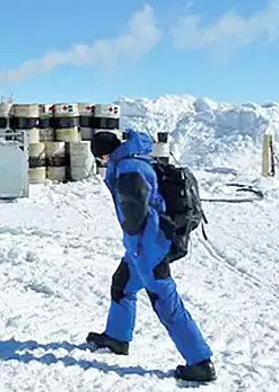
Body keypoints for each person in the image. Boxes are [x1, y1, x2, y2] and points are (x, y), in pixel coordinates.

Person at [87, 130, 216, 382]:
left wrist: (135, 248)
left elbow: (134, 216)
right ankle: (116, 338)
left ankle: (200, 362)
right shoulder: (135, 159)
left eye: (99, 159)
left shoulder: (127, 169)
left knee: (165, 301)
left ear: (104, 154)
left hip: (149, 245)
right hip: (146, 243)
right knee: (122, 284)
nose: (101, 164)